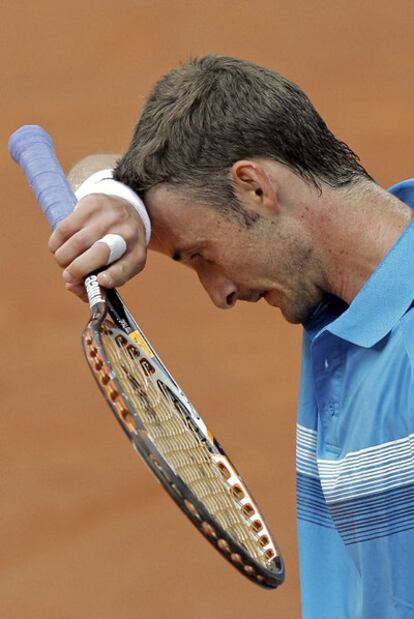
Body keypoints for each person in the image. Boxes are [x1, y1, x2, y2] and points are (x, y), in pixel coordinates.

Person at [49, 56, 414, 618]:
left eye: (201, 255)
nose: (218, 293)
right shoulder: (346, 298)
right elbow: (108, 165)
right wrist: (115, 198)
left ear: (253, 187)